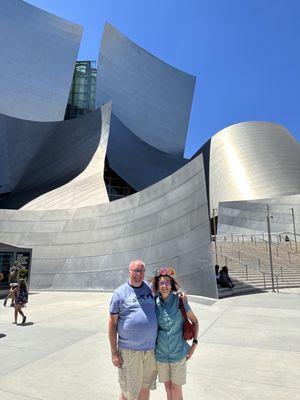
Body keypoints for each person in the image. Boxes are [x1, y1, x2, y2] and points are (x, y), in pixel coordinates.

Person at [108, 260, 158, 400]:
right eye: (135, 270)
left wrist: (180, 295)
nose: (138, 274)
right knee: (128, 392)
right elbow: (112, 324)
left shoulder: (150, 289)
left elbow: (167, 288)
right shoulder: (119, 293)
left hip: (150, 350)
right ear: (129, 271)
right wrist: (114, 353)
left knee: (145, 387)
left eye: (141, 271)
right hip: (130, 351)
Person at [154, 269, 199, 400]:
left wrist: (194, 344)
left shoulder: (180, 301)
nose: (164, 286)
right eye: (161, 283)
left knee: (176, 390)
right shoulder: (154, 302)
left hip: (178, 354)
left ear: (171, 284)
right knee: (168, 389)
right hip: (161, 354)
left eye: (167, 283)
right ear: (157, 286)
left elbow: (195, 321)